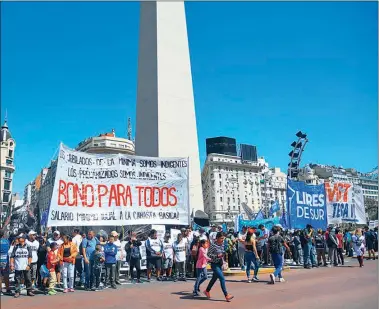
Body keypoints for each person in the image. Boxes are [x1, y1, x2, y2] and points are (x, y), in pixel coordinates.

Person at [204, 232, 234, 302]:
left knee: (214, 278)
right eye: (221, 238)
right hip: (214, 264)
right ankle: (226, 295)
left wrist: (224, 258)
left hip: (219, 264)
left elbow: (223, 253)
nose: (222, 240)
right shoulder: (213, 245)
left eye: (223, 238)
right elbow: (208, 254)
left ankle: (207, 290)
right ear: (217, 238)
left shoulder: (222, 245)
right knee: (222, 278)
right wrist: (217, 256)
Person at [10, 233, 35, 298]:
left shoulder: (28, 247)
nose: (18, 239)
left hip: (26, 266)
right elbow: (12, 256)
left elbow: (30, 256)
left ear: (24, 239)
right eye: (18, 238)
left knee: (28, 279)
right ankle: (17, 292)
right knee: (17, 280)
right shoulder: (16, 247)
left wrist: (29, 265)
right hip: (18, 266)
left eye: (20, 238)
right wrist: (12, 265)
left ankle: (29, 291)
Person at [0, 229, 11, 296]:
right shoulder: (7, 241)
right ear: (3, 234)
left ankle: (0, 290)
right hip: (5, 260)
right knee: (6, 275)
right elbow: (9, 248)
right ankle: (8, 289)